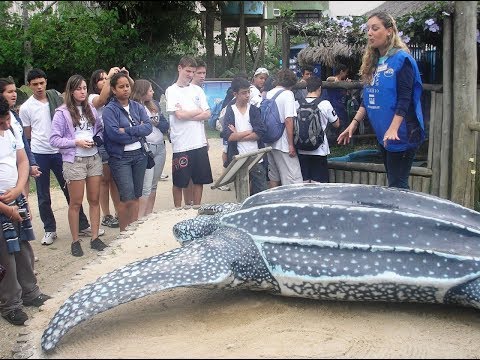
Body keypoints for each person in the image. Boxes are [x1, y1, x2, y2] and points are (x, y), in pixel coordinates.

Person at [337, 11, 425, 189]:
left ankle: (403, 216)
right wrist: (353, 124)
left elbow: (405, 98)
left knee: (398, 185)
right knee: (394, 182)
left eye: (375, 28)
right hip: (383, 134)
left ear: (389, 31)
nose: (369, 32)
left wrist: (393, 129)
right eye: (368, 29)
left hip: (401, 133)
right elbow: (369, 97)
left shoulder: (402, 60)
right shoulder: (374, 62)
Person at [19, 69, 103, 246]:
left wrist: (95, 140)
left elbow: (98, 128)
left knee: (70, 193)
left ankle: (83, 226)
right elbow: (28, 134)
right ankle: (50, 229)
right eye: (35, 84)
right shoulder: (28, 107)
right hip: (41, 151)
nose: (39, 87)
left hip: (62, 153)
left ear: (46, 82)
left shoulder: (56, 100)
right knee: (43, 194)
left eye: (42, 83)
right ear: (29, 86)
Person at [0, 96, 51, 326]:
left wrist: (20, 189)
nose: (8, 124)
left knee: (23, 248)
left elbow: (22, 160)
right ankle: (10, 304)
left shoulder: (9, 127)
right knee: (4, 256)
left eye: (7, 119)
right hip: (2, 204)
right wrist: (5, 208)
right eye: (2, 122)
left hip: (15, 196)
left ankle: (30, 292)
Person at [50, 75, 107, 257]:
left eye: (84, 88)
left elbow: (99, 129)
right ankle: (75, 241)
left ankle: (95, 237)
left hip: (93, 158)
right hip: (74, 160)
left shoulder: (91, 108)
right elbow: (54, 139)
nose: (83, 91)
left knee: (94, 199)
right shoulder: (62, 112)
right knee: (75, 202)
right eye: (78, 89)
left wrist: (97, 139)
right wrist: (75, 142)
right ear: (71, 91)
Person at [102, 71, 153, 231]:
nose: (125, 89)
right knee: (126, 198)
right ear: (114, 89)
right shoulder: (110, 110)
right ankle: (124, 234)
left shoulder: (137, 106)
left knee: (136, 196)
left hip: (140, 155)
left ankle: (134, 232)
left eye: (127, 86)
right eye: (121, 87)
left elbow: (148, 127)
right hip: (120, 157)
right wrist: (137, 131)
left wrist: (128, 130)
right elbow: (114, 134)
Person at [165, 56, 213, 210]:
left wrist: (189, 113)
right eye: (188, 71)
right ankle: (178, 210)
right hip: (182, 144)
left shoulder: (197, 90)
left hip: (198, 141)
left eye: (193, 72)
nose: (190, 74)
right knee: (180, 181)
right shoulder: (171, 90)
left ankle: (197, 207)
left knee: (199, 179)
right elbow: (179, 115)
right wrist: (197, 111)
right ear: (179, 68)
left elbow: (207, 114)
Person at [221, 77, 267, 195]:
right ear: (235, 94)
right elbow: (228, 136)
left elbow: (260, 133)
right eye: (243, 93)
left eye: (248, 92)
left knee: (260, 193)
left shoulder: (254, 110)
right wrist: (249, 132)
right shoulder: (230, 111)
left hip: (256, 157)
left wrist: (238, 134)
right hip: (238, 158)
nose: (247, 95)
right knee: (241, 194)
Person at [130, 79, 169, 218]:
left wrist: (156, 123)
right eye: (150, 89)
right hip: (147, 147)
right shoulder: (133, 107)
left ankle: (149, 215)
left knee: (153, 184)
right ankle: (140, 216)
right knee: (144, 185)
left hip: (160, 146)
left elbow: (165, 125)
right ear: (142, 91)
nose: (152, 92)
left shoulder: (155, 105)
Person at [88, 68, 121, 229]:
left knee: (115, 179)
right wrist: (109, 77)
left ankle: (118, 211)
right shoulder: (92, 97)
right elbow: (101, 101)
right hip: (101, 141)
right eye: (100, 79)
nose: (104, 81)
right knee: (104, 180)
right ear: (94, 84)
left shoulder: (114, 96)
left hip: (114, 141)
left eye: (105, 79)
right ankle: (106, 215)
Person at [0, 78, 42, 198]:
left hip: (20, 171)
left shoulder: (15, 117)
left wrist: (31, 164)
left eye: (15, 91)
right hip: (6, 180)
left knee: (24, 206)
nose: (14, 95)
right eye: (9, 92)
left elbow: (23, 143)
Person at [296, 76, 339, 183]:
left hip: (301, 148)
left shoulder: (297, 103)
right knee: (320, 185)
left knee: (304, 183)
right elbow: (337, 124)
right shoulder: (325, 104)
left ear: (306, 88)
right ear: (320, 88)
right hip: (319, 149)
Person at [264, 68, 303, 187]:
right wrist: (291, 144)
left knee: (274, 175)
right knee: (293, 178)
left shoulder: (269, 93)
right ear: (291, 83)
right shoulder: (287, 94)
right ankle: (292, 203)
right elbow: (288, 120)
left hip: (269, 140)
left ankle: (273, 202)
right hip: (283, 143)